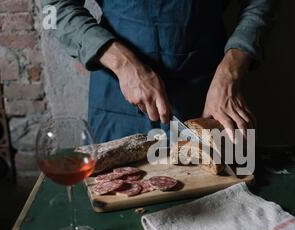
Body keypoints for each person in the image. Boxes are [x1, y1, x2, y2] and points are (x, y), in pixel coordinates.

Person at [42, 0, 275, 143]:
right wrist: (124, 64)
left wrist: (231, 73)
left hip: (211, 95)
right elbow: (53, 10)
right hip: (119, 101)